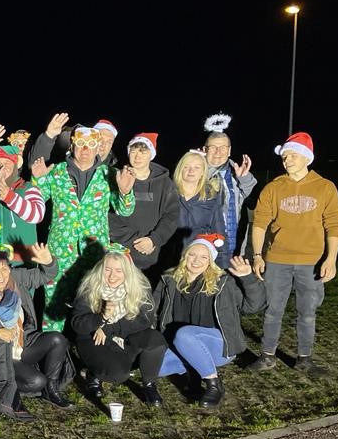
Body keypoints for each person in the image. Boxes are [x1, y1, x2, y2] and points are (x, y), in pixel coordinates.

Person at [248, 132, 338, 377]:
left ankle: (304, 359)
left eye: (292, 155)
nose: (287, 160)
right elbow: (259, 223)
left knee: (307, 312)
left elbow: (334, 223)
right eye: (284, 156)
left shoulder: (325, 187)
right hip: (277, 260)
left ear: (307, 157)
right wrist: (257, 255)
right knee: (273, 310)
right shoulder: (273, 187)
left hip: (311, 262)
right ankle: (267, 355)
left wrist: (331, 258)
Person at [32, 126, 137, 331]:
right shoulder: (56, 172)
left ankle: (89, 343)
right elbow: (38, 200)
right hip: (60, 251)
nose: (85, 149)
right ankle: (53, 344)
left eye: (91, 144)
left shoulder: (109, 174)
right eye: (80, 144)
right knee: (54, 303)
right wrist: (38, 179)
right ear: (72, 145)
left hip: (94, 252)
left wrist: (125, 192)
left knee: (93, 301)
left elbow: (125, 210)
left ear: (98, 147)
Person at [0, 245, 73, 420]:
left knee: (57, 339)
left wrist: (49, 262)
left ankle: (51, 390)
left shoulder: (15, 280)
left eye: (4, 269)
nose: (0, 275)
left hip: (21, 342)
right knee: (36, 382)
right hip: (0, 354)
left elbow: (45, 275)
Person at [154, 235, 266, 407]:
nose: (196, 260)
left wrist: (248, 278)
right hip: (181, 344)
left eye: (204, 257)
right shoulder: (169, 280)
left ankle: (214, 384)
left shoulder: (222, 282)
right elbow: (152, 310)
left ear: (210, 261)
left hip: (220, 346)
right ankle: (195, 369)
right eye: (192, 255)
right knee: (155, 366)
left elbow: (253, 307)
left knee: (185, 334)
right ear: (184, 256)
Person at [70, 248, 167, 406]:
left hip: (124, 335)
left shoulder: (139, 288)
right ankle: (93, 373)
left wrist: (108, 327)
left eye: (118, 271)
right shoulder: (90, 287)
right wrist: (100, 318)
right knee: (118, 374)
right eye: (107, 269)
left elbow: (144, 319)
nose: (112, 275)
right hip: (94, 338)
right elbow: (77, 324)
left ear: (128, 272)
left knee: (155, 341)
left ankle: (149, 384)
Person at [109, 133, 179, 278]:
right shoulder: (117, 178)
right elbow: (109, 216)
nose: (137, 156)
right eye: (133, 151)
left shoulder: (165, 183)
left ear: (151, 154)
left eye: (143, 152)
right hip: (120, 254)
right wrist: (133, 241)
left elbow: (171, 215)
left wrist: (154, 239)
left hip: (152, 255)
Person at [203, 113, 256, 261]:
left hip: (233, 248)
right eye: (213, 147)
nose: (218, 152)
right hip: (202, 249)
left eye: (223, 147)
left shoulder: (238, 173)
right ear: (205, 149)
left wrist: (244, 178)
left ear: (229, 150)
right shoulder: (194, 172)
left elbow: (252, 200)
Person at [171, 150, 227, 267]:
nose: (191, 171)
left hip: (198, 259)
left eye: (197, 167)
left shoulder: (211, 196)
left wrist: (222, 264)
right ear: (180, 169)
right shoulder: (167, 193)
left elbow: (219, 231)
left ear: (203, 172)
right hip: (169, 256)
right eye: (186, 167)